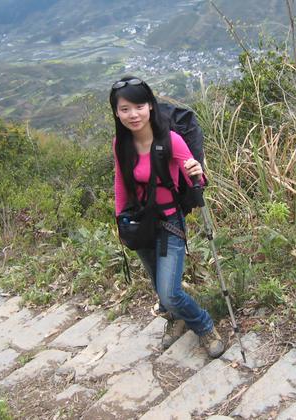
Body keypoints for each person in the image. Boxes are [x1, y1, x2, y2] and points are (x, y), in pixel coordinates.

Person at [109, 76, 225, 358]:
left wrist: (198, 173)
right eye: (125, 109)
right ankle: (175, 318)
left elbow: (196, 179)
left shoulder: (170, 140)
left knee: (170, 292)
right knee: (159, 287)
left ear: (150, 106)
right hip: (139, 222)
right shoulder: (121, 143)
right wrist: (121, 220)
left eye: (139, 106)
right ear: (116, 112)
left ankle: (204, 325)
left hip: (170, 222)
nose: (133, 114)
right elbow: (121, 182)